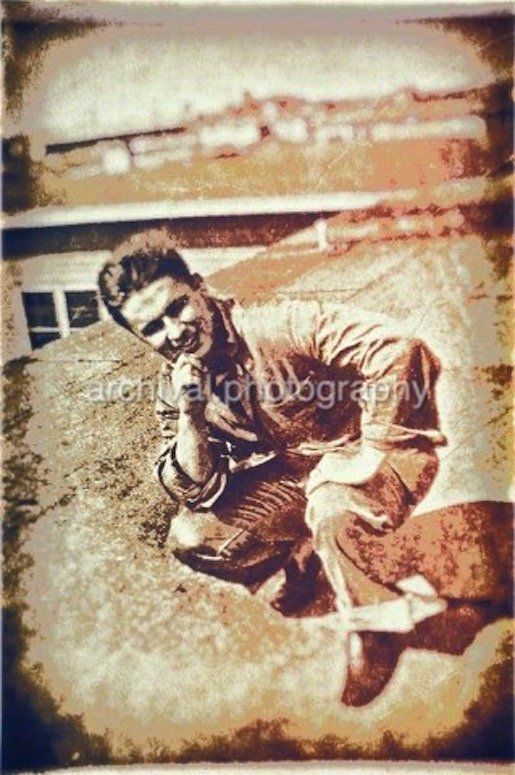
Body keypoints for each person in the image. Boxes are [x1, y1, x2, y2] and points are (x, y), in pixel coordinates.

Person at [98, 228, 448, 706]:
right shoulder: (177, 382)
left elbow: (398, 349)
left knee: (331, 508)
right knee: (192, 536)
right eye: (153, 328)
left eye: (177, 307)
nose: (175, 332)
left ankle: (376, 629)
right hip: (305, 470)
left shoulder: (275, 323)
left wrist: (372, 449)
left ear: (199, 286)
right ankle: (305, 557)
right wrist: (191, 414)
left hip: (380, 457)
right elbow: (193, 488)